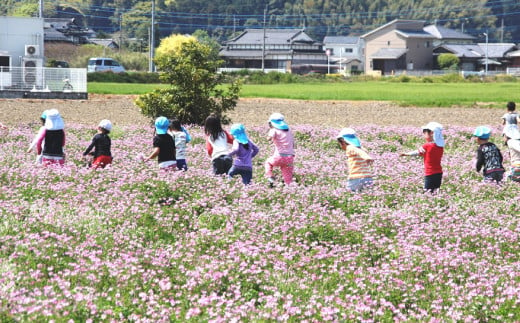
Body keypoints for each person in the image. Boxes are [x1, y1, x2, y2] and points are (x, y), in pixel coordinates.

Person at [400, 122, 444, 193]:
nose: (423, 134)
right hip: (439, 173)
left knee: (427, 192)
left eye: (424, 132)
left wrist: (406, 154)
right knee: (435, 191)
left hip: (430, 173)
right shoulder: (440, 147)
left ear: (431, 133)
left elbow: (417, 152)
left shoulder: (427, 146)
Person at [336, 128, 374, 192]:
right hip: (368, 177)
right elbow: (360, 151)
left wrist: (367, 157)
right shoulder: (360, 148)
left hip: (356, 178)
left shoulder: (350, 147)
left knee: (349, 194)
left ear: (343, 141)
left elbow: (358, 151)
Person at [265, 113, 295, 187]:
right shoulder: (289, 131)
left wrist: (270, 138)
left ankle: (270, 177)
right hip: (290, 158)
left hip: (279, 156)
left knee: (268, 163)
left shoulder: (274, 130)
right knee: (287, 175)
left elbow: (268, 138)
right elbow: (292, 143)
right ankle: (289, 187)